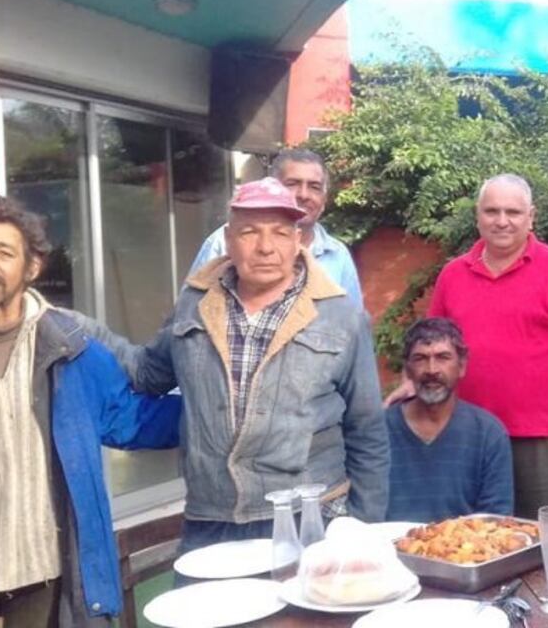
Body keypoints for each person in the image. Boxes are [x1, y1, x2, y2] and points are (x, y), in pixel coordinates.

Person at [107, 177, 388, 555]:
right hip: (211, 519)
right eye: (249, 232)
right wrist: (82, 332)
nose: (266, 247)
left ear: (297, 240)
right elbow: (147, 374)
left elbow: (367, 429)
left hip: (311, 517)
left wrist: (364, 528)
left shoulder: (341, 317)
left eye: (280, 233)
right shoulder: (195, 304)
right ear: (228, 239)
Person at [0, 194, 181, 627]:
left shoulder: (69, 349)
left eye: (4, 252)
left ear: (32, 267)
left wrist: (219, 412)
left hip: (45, 578)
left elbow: (129, 418)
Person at [387, 174, 548, 519]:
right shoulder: (453, 274)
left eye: (513, 212)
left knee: (538, 537)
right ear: (478, 216)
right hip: (464, 431)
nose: (502, 221)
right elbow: (430, 340)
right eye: (492, 211)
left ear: (531, 217)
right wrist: (409, 382)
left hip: (539, 436)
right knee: (465, 533)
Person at [187, 148, 363, 307]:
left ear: (324, 200)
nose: (303, 195)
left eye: (314, 187)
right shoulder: (222, 242)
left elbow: (353, 323)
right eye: (292, 184)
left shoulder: (338, 255)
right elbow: (190, 314)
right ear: (271, 189)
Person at [386, 318, 513, 523]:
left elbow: (496, 519)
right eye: (420, 358)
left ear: (461, 366)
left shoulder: (488, 434)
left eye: (443, 357)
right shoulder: (378, 432)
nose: (432, 369)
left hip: (467, 542)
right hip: (386, 542)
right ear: (407, 370)